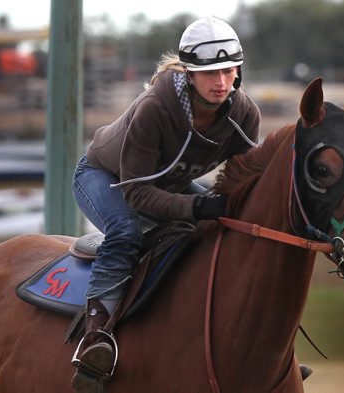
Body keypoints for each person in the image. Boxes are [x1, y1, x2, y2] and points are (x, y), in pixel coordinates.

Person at [70, 16, 260, 392]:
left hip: (165, 184)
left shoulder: (244, 115)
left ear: (238, 69)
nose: (221, 82)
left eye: (227, 70)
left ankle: (256, 348)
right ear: (189, 74)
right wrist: (197, 207)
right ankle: (94, 340)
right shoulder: (155, 108)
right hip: (105, 177)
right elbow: (137, 195)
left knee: (230, 226)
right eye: (209, 73)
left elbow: (246, 181)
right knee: (125, 231)